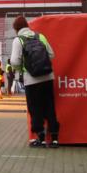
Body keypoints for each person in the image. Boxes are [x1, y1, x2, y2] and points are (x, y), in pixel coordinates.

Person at [10, 15, 59, 148]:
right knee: (49, 106)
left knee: (35, 108)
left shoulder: (18, 40)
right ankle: (54, 138)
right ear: (27, 25)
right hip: (47, 77)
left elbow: (14, 61)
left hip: (31, 80)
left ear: (16, 29)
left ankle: (41, 138)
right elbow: (52, 54)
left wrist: (22, 68)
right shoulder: (40, 36)